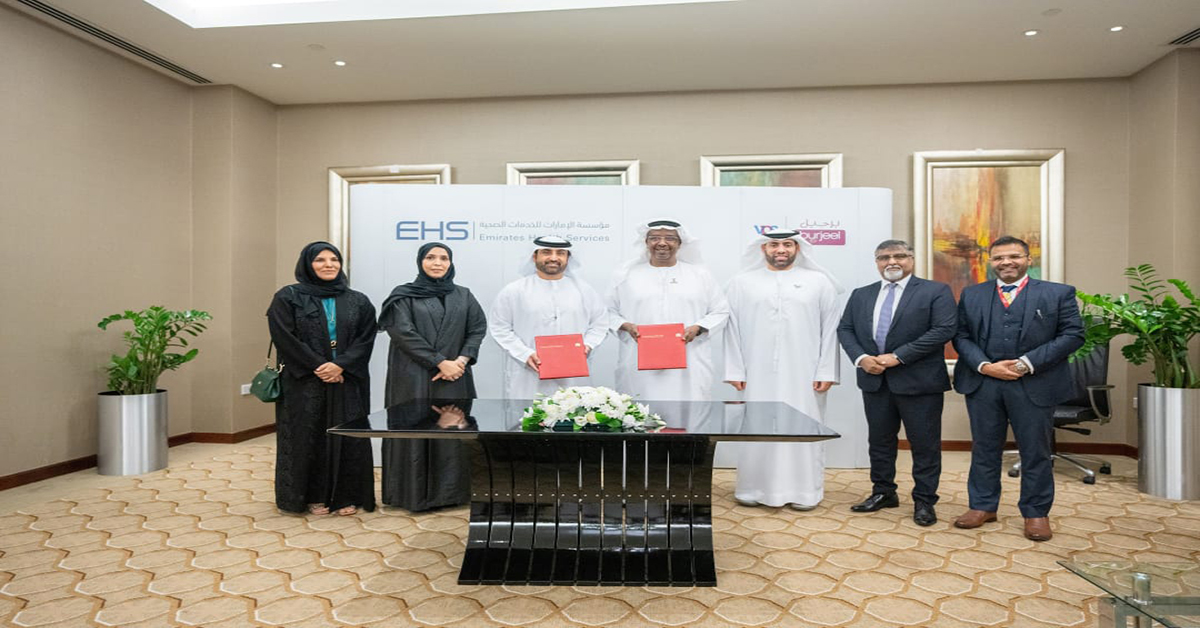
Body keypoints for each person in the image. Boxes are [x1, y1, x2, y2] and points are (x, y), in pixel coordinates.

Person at [952, 236, 1083, 541]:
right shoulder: (972, 294)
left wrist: (1026, 363)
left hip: (1035, 383)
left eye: (1014, 256)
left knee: (1035, 451)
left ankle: (1036, 513)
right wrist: (985, 365)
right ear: (991, 262)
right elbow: (961, 336)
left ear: (1028, 259)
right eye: (999, 258)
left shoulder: (1058, 293)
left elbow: (1072, 335)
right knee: (984, 448)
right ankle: (982, 506)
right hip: (984, 383)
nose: (1006, 262)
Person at [836, 239, 956, 526]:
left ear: (911, 259)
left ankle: (924, 501)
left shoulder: (935, 291)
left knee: (924, 445)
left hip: (920, 383)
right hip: (875, 381)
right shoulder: (861, 294)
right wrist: (861, 358)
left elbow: (944, 329)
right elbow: (845, 328)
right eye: (884, 257)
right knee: (879, 442)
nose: (892, 262)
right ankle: (883, 492)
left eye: (899, 256)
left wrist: (898, 357)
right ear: (877, 262)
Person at [724, 229, 843, 510]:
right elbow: (732, 329)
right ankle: (752, 488)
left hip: (805, 373)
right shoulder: (742, 282)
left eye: (788, 244)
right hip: (755, 372)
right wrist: (735, 370)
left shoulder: (818, 282)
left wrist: (826, 371)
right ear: (763, 249)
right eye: (774, 244)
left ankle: (804, 492)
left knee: (803, 426)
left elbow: (831, 330)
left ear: (797, 249)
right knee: (756, 425)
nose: (781, 250)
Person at [267, 241, 377, 516]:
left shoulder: (358, 300)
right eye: (320, 260)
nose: (329, 265)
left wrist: (340, 366)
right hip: (304, 381)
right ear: (307, 264)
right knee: (308, 436)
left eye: (334, 259)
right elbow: (284, 337)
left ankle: (346, 495)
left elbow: (366, 339)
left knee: (348, 435)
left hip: (347, 380)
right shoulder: (288, 297)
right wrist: (319, 366)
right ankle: (312, 496)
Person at [377, 242, 487, 511]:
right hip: (413, 377)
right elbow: (403, 333)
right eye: (430, 257)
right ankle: (412, 496)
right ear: (420, 261)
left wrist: (460, 361)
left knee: (453, 432)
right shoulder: (403, 296)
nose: (437, 263)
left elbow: (477, 328)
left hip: (456, 376)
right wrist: (440, 362)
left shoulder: (464, 295)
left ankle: (452, 494)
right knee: (413, 431)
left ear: (451, 263)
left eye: (443, 258)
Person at [607, 219, 729, 400]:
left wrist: (698, 328)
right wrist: (627, 326)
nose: (662, 243)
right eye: (655, 238)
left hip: (690, 362)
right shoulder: (626, 275)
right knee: (641, 411)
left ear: (680, 243)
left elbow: (720, 311)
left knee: (689, 410)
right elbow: (608, 312)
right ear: (646, 242)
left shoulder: (700, 275)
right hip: (638, 361)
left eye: (670, 238)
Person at [488, 236, 609, 399]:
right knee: (530, 413)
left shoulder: (584, 291)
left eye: (560, 253)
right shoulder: (514, 291)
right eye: (546, 252)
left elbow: (600, 323)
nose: (553, 258)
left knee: (574, 411)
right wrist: (524, 354)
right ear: (534, 256)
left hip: (574, 375)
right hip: (529, 374)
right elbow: (500, 328)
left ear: (568, 258)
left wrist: (587, 345)